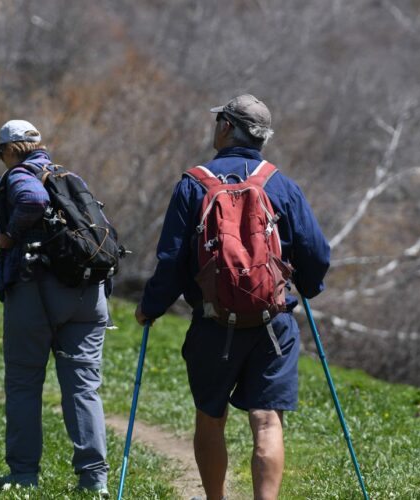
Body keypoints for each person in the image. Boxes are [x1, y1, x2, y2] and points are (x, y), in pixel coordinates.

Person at [134, 95, 330, 500]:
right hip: (272, 325)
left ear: (226, 127)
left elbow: (171, 260)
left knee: (210, 417)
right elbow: (316, 252)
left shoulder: (193, 183)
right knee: (266, 421)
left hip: (213, 322)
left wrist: (149, 308)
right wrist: (308, 286)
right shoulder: (280, 184)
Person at [0, 119, 110, 495]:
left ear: (9, 151)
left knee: (24, 383)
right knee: (83, 388)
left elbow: (32, 200)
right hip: (89, 296)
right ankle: (94, 480)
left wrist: (9, 235)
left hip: (36, 293)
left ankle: (23, 474)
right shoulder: (69, 176)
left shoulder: (20, 177)